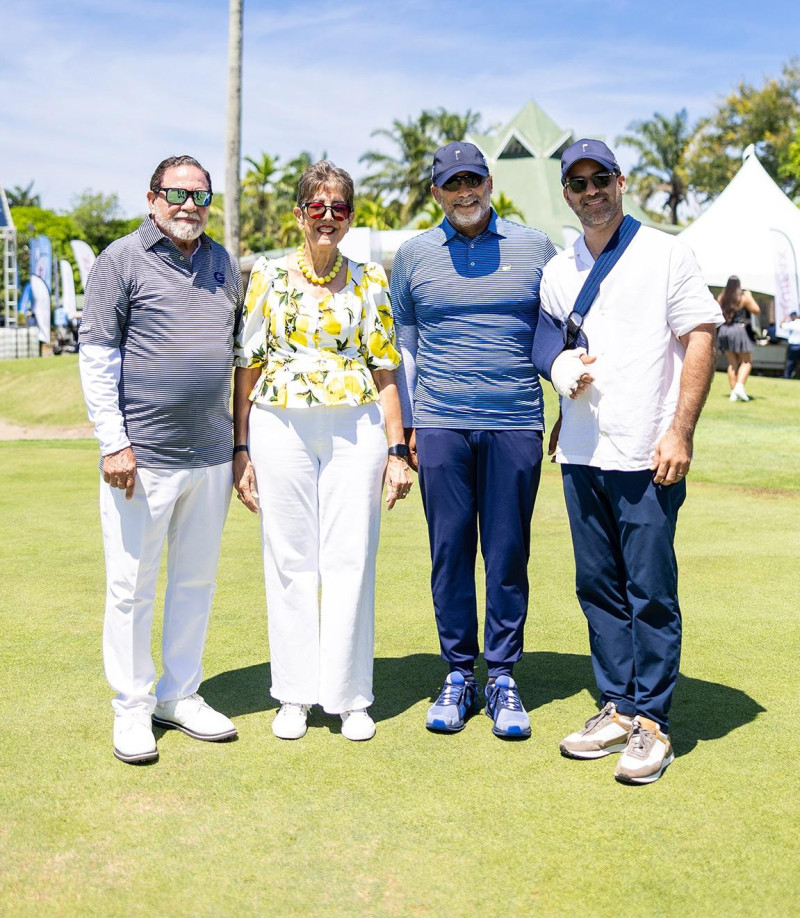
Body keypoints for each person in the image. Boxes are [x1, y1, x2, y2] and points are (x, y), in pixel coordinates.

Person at [534, 138, 722, 784]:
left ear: (620, 181)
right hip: (583, 455)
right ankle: (617, 706)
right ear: (566, 193)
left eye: (599, 179)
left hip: (648, 453)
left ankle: (653, 723)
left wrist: (681, 432)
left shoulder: (667, 252)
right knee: (599, 589)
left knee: (650, 592)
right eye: (577, 183)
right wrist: (561, 400)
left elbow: (701, 335)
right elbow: (555, 344)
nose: (590, 192)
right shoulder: (559, 268)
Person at [233, 161, 411, 743]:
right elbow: (248, 363)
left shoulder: (370, 280)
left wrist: (397, 449)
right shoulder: (267, 275)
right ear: (299, 214)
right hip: (278, 422)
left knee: (349, 557)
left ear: (351, 216)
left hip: (356, 425)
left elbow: (385, 368)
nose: (328, 217)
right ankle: (294, 694)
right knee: (290, 559)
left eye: (339, 208)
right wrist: (241, 448)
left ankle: (349, 695)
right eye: (317, 207)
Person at [391, 141, 557, 739]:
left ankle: (503, 675)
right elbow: (405, 346)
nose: (465, 193)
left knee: (508, 553)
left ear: (490, 183)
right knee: (450, 551)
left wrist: (568, 404)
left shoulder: (537, 248)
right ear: (436, 193)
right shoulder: (412, 255)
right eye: (451, 184)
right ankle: (461, 672)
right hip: (440, 423)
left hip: (515, 420)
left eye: (474, 180)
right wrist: (406, 426)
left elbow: (559, 336)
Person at [79, 155, 242, 765]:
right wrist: (113, 442)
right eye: (176, 194)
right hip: (142, 458)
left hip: (210, 454)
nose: (188, 205)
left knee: (196, 582)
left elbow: (232, 350)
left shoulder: (223, 262)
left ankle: (180, 694)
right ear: (152, 199)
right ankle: (131, 706)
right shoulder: (121, 258)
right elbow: (97, 355)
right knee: (131, 587)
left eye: (200, 196)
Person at [717, 275, 760, 401]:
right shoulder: (743, 298)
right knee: (747, 361)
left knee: (732, 363)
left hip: (724, 330)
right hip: (738, 329)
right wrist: (750, 296)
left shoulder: (721, 297)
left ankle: (733, 393)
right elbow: (756, 310)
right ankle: (739, 387)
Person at [780, 310, 800, 378]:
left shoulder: (792, 323)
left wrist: (784, 318)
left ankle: (787, 376)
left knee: (790, 362)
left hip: (793, 346)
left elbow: (781, 325)